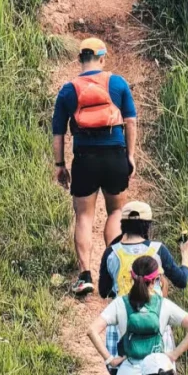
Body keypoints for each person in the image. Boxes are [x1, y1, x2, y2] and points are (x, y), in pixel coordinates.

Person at [53, 38, 138, 297]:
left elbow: (58, 134)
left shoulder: (68, 91)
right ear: (102, 58)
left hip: (85, 159)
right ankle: (116, 275)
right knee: (116, 212)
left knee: (84, 217)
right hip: (115, 157)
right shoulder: (118, 83)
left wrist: (60, 165)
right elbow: (131, 122)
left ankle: (85, 276)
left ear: (80, 59)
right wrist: (130, 156)